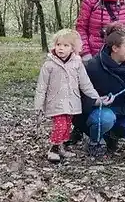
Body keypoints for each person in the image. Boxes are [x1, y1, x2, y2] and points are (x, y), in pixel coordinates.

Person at [77, 21, 125, 158]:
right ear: (115, 48)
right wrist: (96, 102)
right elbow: (79, 98)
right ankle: (95, 140)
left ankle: (110, 135)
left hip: (120, 110)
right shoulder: (92, 66)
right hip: (96, 112)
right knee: (106, 118)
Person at [33, 29, 111, 163]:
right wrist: (38, 105)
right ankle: (53, 149)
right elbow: (41, 86)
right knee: (60, 125)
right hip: (55, 102)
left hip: (72, 102)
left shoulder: (77, 64)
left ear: (73, 48)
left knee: (67, 126)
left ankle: (61, 147)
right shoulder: (49, 65)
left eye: (65, 45)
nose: (61, 48)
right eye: (58, 45)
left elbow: (85, 84)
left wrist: (97, 98)